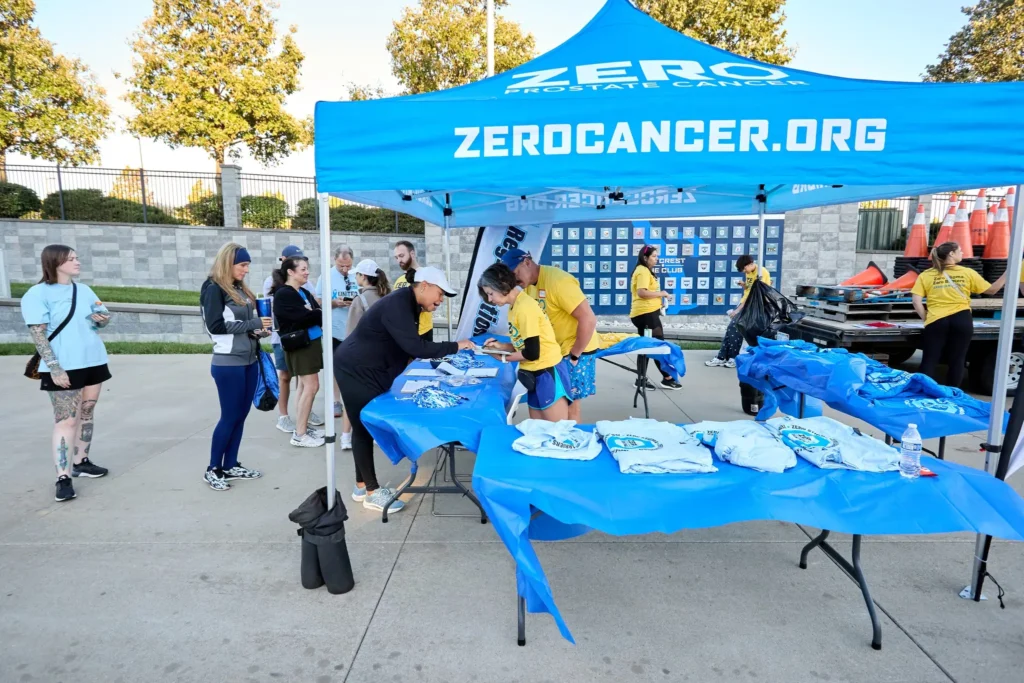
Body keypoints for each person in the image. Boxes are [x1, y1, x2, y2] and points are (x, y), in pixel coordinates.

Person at [335, 266, 474, 513]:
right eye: (440, 294)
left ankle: (361, 485)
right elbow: (416, 346)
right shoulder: (398, 304)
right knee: (363, 427)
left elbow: (406, 346)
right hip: (356, 368)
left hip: (369, 368)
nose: (441, 300)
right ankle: (370, 491)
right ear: (424, 286)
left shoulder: (410, 304)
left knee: (364, 427)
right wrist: (456, 346)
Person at [21, 245, 112, 502]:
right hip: (63, 366)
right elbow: (38, 335)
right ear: (55, 262)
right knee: (66, 420)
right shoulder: (36, 294)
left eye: (77, 258)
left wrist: (102, 319)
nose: (77, 262)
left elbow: (101, 316)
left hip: (93, 360)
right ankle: (63, 477)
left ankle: (81, 461)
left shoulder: (83, 290)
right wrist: (55, 368)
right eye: (70, 259)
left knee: (86, 412)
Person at [199, 243, 270, 491]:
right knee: (229, 417)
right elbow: (215, 327)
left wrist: (258, 331)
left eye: (247, 265)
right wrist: (253, 323)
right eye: (242, 265)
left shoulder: (238, 288)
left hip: (249, 361)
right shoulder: (213, 289)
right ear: (228, 263)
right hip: (228, 363)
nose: (246, 270)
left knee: (240, 416)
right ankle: (213, 469)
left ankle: (230, 464)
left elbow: (243, 326)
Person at [499, 249, 599, 421]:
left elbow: (588, 319)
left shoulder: (558, 281)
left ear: (527, 262)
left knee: (570, 408)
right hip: (553, 353)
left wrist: (575, 355)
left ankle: (572, 445)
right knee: (550, 408)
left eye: (516, 273)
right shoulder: (527, 288)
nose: (515, 281)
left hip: (574, 350)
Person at [479, 263, 572, 421]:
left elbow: (532, 352)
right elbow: (522, 345)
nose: (490, 299)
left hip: (548, 371)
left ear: (502, 286)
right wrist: (500, 347)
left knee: (558, 432)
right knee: (537, 430)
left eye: (490, 293)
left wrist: (503, 357)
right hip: (534, 373)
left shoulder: (525, 308)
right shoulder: (514, 307)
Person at [911, 242, 1007, 387]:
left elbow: (916, 301)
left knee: (930, 359)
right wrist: (1009, 273)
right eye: (960, 251)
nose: (963, 253)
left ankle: (923, 394)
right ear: (951, 254)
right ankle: (953, 396)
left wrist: (927, 318)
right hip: (962, 319)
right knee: (957, 360)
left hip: (936, 320)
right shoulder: (967, 273)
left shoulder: (926, 275)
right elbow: (992, 290)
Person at [263, 245, 324, 434]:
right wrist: (311, 313)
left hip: (310, 342)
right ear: (290, 271)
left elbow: (317, 313)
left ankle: (302, 427)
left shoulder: (302, 292)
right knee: (311, 386)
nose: (307, 272)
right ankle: (300, 433)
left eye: (307, 268)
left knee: (307, 386)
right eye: (303, 269)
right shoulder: (284, 294)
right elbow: (304, 318)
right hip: (300, 345)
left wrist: (312, 313)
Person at [337, 259, 391, 450]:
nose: (356, 278)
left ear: (363, 277)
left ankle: (345, 436)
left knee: (350, 400)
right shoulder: (387, 297)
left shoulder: (360, 300)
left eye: (357, 275)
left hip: (359, 358)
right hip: (382, 357)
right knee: (377, 396)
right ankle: (376, 434)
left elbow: (351, 333)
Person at [630, 245, 682, 391]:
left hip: (648, 314)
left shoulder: (645, 271)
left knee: (648, 345)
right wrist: (662, 293)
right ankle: (667, 378)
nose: (656, 258)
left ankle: (644, 379)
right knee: (657, 345)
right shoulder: (642, 271)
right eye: (653, 256)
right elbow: (642, 293)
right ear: (645, 258)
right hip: (645, 315)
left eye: (657, 256)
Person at [706, 255, 771, 369]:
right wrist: (744, 285)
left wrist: (737, 310)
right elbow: (749, 289)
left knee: (735, 327)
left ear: (750, 264)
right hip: (746, 304)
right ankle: (722, 357)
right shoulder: (749, 272)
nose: (744, 271)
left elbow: (756, 294)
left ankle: (733, 358)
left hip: (754, 306)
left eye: (744, 269)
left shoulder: (761, 272)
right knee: (731, 328)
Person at [316, 245, 358, 418]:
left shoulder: (357, 275)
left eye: (348, 265)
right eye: (341, 266)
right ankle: (336, 401)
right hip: (334, 329)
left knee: (354, 366)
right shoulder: (325, 276)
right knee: (334, 366)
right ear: (335, 260)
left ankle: (353, 399)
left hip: (354, 329)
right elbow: (317, 300)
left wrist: (354, 301)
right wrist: (334, 303)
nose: (345, 269)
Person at [392, 240, 434, 340]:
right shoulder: (399, 281)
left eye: (401, 255)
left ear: (412, 254)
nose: (399, 260)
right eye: (396, 257)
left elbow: (433, 304)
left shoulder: (427, 276)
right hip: (403, 333)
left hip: (422, 333)